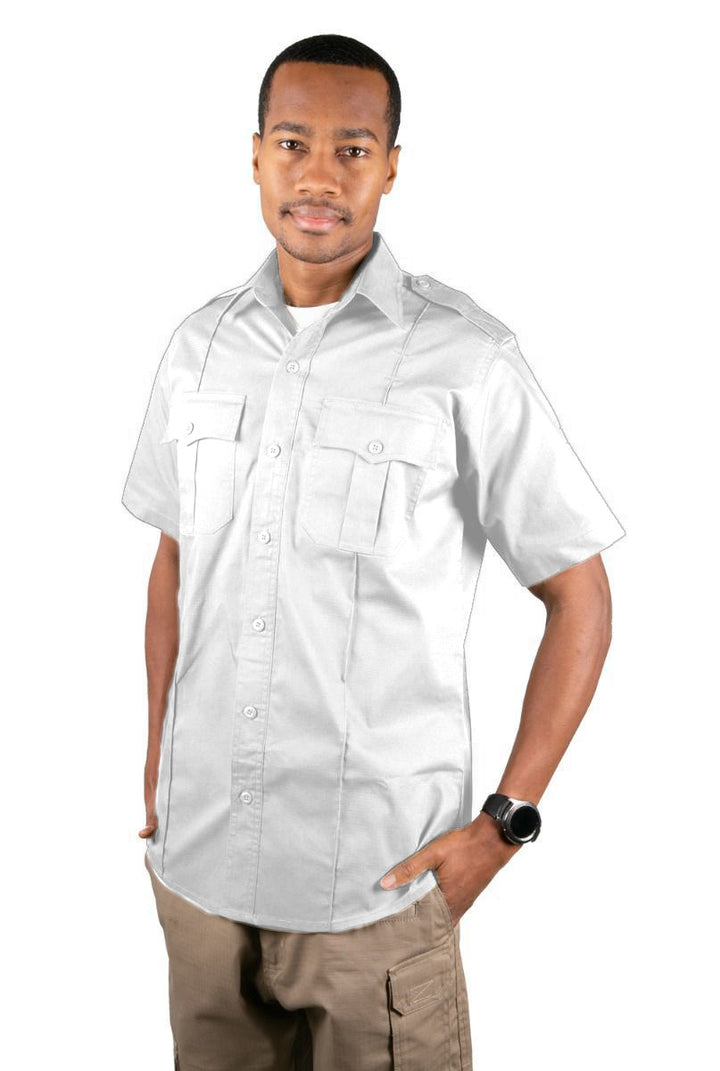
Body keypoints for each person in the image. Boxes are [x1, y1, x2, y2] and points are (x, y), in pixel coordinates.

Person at [121, 32, 626, 1071]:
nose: (319, 175)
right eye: (293, 143)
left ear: (391, 167)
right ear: (254, 155)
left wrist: (506, 821)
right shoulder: (198, 347)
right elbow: (176, 560)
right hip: (199, 879)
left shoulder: (466, 358)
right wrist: (158, 759)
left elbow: (579, 592)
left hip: (378, 890)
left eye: (352, 150)